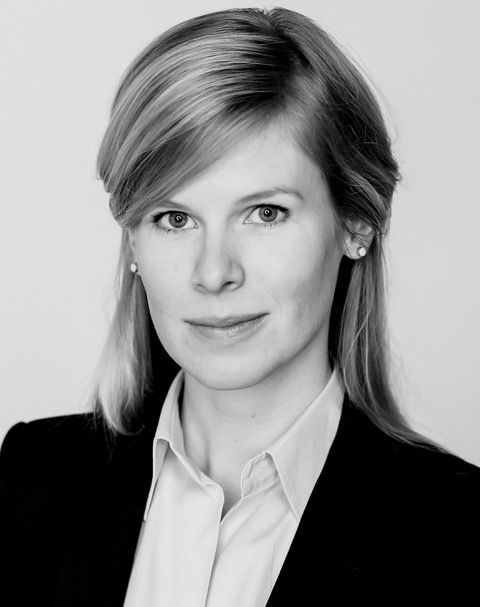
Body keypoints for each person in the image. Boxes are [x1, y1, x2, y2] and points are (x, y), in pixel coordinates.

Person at [1, 6, 479, 607]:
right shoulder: (30, 480)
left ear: (356, 222)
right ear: (133, 242)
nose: (213, 273)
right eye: (173, 218)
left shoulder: (461, 534)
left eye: (265, 213)